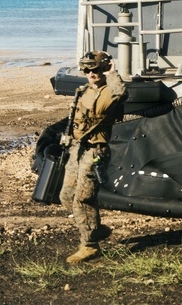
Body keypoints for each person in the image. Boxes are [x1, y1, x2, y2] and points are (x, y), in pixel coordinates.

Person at [60, 50, 126, 264]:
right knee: (66, 195)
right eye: (87, 69)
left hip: (95, 151)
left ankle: (89, 245)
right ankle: (95, 229)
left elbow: (121, 93)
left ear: (103, 69)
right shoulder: (83, 91)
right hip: (78, 149)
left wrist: (113, 73)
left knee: (83, 199)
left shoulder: (109, 92)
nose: (91, 73)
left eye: (95, 69)